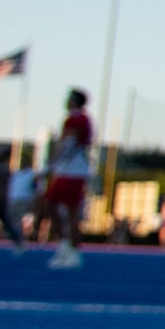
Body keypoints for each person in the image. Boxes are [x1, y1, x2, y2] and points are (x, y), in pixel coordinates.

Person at [44, 89, 94, 269]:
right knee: (54, 205)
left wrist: (51, 164)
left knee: (64, 209)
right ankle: (66, 246)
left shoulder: (76, 119)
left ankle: (71, 249)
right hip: (70, 171)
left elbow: (68, 143)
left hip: (72, 172)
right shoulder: (81, 119)